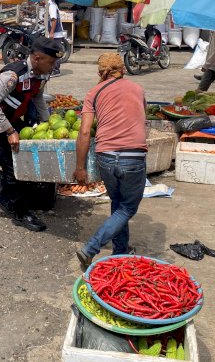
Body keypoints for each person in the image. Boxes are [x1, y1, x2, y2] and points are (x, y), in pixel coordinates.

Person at [0, 38, 63, 232]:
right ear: (36, 58)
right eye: (51, 62)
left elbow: (37, 97)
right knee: (12, 168)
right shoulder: (13, 74)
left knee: (20, 162)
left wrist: (47, 122)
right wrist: (9, 131)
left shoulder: (41, 75)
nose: (53, 66)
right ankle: (19, 213)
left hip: (15, 121)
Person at [74, 53, 147, 269]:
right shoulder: (138, 89)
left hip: (105, 157)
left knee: (118, 204)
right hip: (133, 156)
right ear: (122, 69)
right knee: (127, 209)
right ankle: (90, 248)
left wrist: (80, 168)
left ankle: (120, 250)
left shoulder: (94, 93)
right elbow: (143, 119)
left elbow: (85, 132)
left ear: (100, 72)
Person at [45, 0, 66, 77]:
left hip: (56, 34)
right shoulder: (50, 5)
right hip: (55, 33)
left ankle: (56, 70)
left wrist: (52, 32)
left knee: (54, 52)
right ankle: (53, 69)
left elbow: (54, 19)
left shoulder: (52, 6)